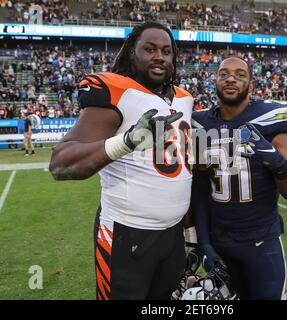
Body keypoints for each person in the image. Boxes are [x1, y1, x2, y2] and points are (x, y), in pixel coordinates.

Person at [49, 22, 195, 300]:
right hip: (126, 234)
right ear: (131, 53)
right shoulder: (117, 90)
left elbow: (183, 173)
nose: (159, 56)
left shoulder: (185, 98)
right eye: (149, 49)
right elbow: (60, 163)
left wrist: (191, 234)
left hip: (173, 236)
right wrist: (127, 141)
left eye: (166, 51)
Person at [191, 57, 287, 300]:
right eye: (224, 74)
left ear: (251, 85)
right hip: (219, 243)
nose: (231, 78)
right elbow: (199, 190)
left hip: (262, 244)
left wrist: (276, 161)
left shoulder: (271, 117)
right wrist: (204, 243)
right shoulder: (200, 124)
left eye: (240, 74)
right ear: (215, 81)